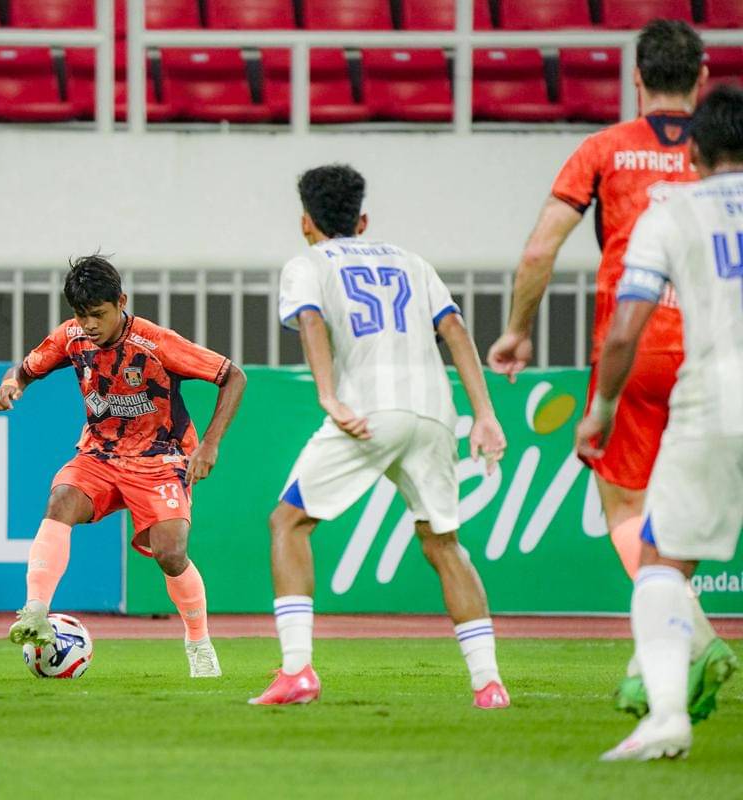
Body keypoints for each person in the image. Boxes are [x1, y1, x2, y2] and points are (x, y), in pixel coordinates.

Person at [485, 19, 734, 718]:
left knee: (627, 507)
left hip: (636, 348)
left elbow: (540, 250)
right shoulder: (724, 158)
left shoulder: (604, 149)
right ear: (702, 77)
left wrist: (518, 332)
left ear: (637, 77)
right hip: (718, 350)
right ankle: (667, 650)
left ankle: (697, 637)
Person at [250, 165, 510, 708]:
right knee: (443, 543)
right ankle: (489, 684)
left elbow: (311, 321)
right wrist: (484, 414)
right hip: (435, 412)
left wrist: (328, 396)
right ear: (362, 220)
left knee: (288, 523)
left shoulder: (307, 263)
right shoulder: (412, 261)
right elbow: (455, 330)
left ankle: (297, 671)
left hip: (370, 412)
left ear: (305, 222)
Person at [577, 85, 743, 761]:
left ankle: (669, 717)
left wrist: (602, 409)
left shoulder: (670, 213)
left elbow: (625, 331)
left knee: (662, 563)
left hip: (715, 401)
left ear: (694, 151)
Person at [0, 255, 246, 677]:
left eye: (98, 314)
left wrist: (210, 445)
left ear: (121, 302)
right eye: (81, 315)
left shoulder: (156, 342)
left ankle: (199, 643)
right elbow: (24, 370)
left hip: (160, 458)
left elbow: (233, 376)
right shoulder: (71, 337)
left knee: (170, 553)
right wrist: (10, 384)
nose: (89, 325)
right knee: (61, 500)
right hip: (100, 454)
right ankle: (35, 610)